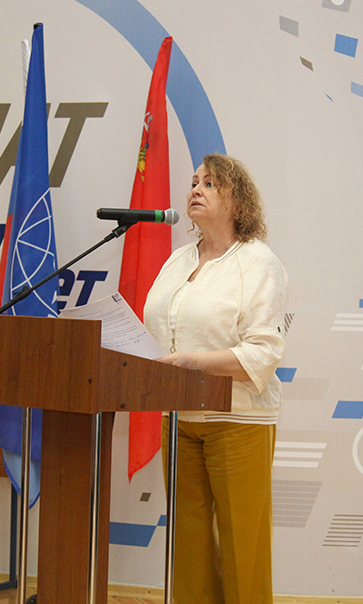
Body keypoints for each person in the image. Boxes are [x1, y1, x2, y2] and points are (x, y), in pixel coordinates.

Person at [143, 153, 288, 604]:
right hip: (178, 416)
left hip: (237, 419)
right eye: (194, 182)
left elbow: (263, 352)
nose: (196, 189)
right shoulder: (177, 260)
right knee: (187, 545)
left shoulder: (258, 263)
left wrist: (195, 361)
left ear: (237, 202)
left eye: (210, 183)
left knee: (243, 546)